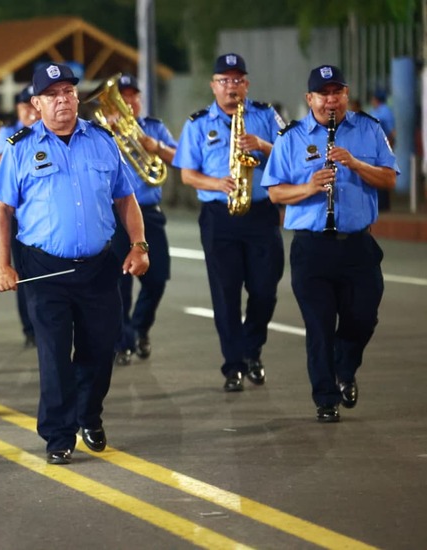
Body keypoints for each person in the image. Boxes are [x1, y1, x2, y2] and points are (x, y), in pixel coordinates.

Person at [0, 63, 148, 465]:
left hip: (98, 265)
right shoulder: (20, 147)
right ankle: (58, 435)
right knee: (55, 354)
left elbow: (125, 199)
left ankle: (89, 415)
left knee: (100, 349)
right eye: (53, 94)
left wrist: (139, 245)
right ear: (37, 102)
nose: (63, 100)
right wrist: (2, 265)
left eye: (69, 92)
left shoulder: (102, 141)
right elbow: (3, 211)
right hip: (43, 267)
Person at [262, 65, 399, 422]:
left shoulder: (368, 129)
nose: (331, 100)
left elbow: (389, 178)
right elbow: (275, 191)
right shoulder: (291, 137)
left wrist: (354, 163)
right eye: (323, 94)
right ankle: (325, 398)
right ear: (310, 99)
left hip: (357, 245)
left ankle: (345, 367)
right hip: (312, 248)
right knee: (320, 326)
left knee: (363, 318)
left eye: (337, 92)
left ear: (346, 95)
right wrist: (308, 187)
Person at [172, 53, 286, 392]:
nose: (231, 86)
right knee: (225, 294)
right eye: (224, 81)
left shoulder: (265, 115)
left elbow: (292, 153)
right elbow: (188, 175)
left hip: (262, 213)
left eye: (237, 80)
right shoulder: (197, 123)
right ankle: (234, 364)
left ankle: (252, 349)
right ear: (214, 85)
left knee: (265, 290)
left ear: (246, 84)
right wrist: (217, 183)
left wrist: (262, 145)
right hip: (219, 216)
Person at [110, 74, 177, 366]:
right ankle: (122, 341)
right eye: (122, 97)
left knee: (157, 278)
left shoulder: (154, 127)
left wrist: (157, 148)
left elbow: (180, 159)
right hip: (114, 216)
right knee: (119, 283)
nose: (129, 102)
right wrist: (110, 134)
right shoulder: (101, 131)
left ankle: (139, 328)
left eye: (133, 96)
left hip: (150, 212)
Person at [0, 85, 41, 347]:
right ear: (19, 108)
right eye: (26, 107)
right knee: (24, 274)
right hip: (18, 217)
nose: (31, 112)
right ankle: (29, 328)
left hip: (40, 220)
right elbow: (4, 165)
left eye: (34, 107)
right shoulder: (11, 136)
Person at [368, 89, 395, 212]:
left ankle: (384, 204)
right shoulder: (374, 111)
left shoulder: (385, 111)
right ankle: (378, 203)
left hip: (381, 147)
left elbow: (390, 131)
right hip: (372, 147)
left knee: (382, 173)